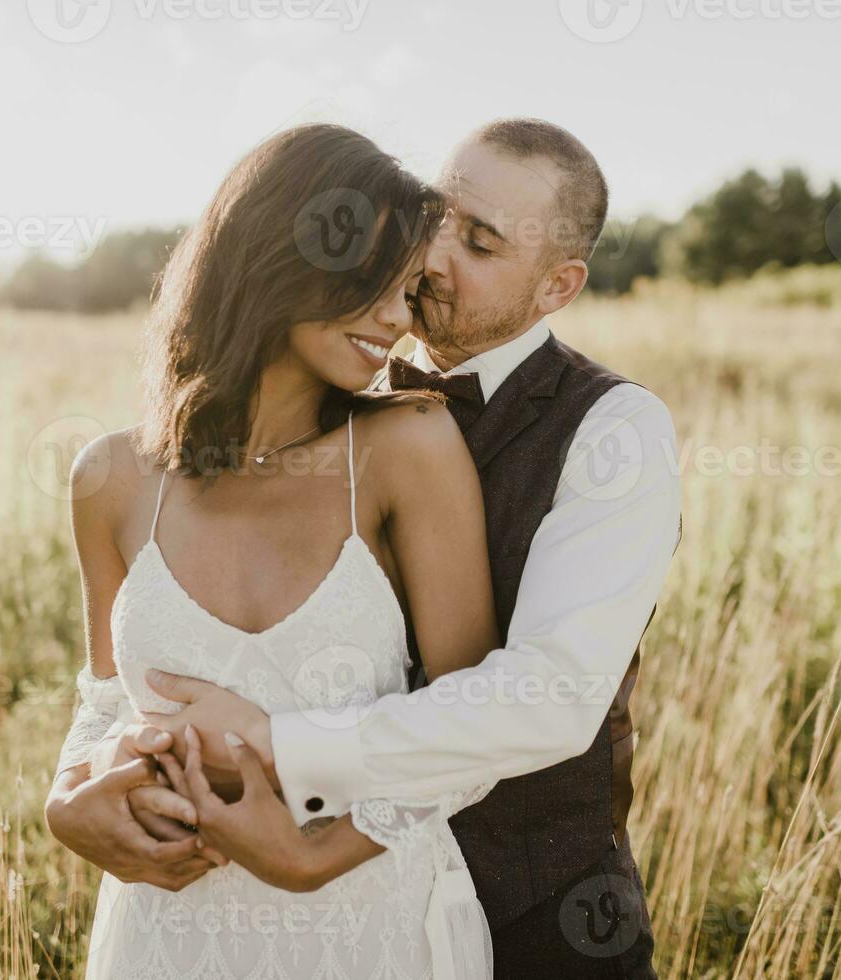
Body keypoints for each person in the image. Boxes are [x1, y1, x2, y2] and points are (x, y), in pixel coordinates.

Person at [45, 123, 500, 978]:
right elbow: (106, 702)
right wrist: (66, 802)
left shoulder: (407, 450)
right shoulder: (110, 478)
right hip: (168, 933)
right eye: (378, 283)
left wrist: (309, 859)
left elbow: (472, 718)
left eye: (410, 293)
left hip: (372, 927)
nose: (398, 322)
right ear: (278, 251)